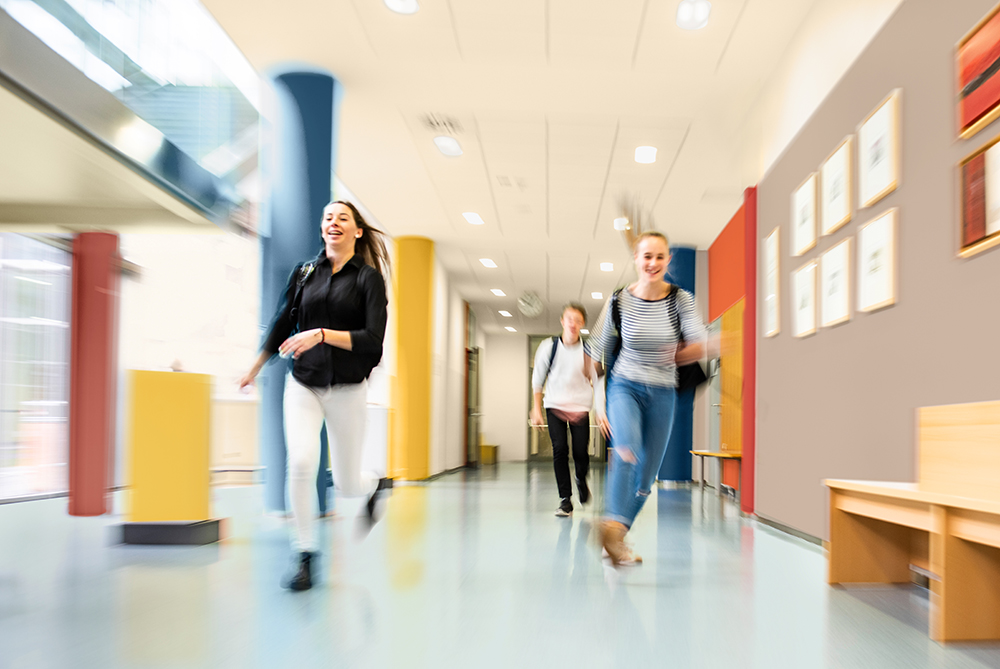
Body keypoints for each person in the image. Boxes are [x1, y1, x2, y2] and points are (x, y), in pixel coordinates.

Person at [239, 200, 390, 591]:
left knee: (346, 485)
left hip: (347, 389)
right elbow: (281, 321)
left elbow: (373, 343)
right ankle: (305, 555)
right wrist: (254, 367)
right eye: (328, 217)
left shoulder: (368, 280)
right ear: (323, 229)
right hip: (303, 383)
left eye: (343, 218)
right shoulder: (305, 272)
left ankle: (374, 483)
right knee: (302, 463)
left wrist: (321, 334)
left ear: (357, 231)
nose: (333, 222)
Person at [584, 231, 706, 567]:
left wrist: (690, 349)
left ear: (668, 261)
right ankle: (611, 523)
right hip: (625, 386)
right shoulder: (619, 301)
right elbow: (595, 355)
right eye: (646, 256)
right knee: (626, 452)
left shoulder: (681, 300)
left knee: (646, 478)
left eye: (659, 257)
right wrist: (600, 403)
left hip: (663, 392)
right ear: (636, 260)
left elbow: (697, 341)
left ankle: (616, 535)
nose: (652, 263)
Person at [530, 303, 595, 517]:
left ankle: (581, 479)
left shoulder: (589, 350)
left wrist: (602, 409)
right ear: (562, 321)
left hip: (580, 408)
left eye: (578, 320)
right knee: (559, 450)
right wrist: (536, 409)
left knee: (580, 453)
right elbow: (538, 379)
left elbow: (598, 380)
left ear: (582, 323)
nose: (573, 324)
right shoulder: (548, 347)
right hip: (555, 405)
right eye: (569, 319)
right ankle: (565, 500)